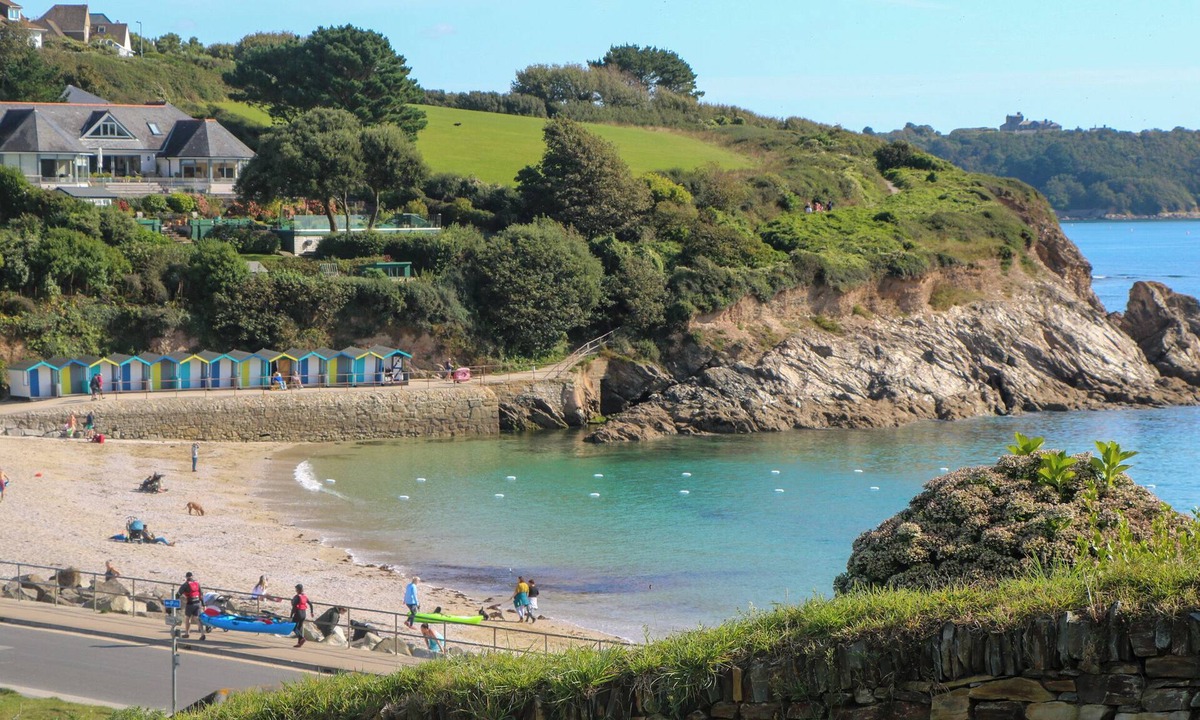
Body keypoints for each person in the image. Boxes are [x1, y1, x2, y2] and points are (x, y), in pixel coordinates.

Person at [176, 571, 206, 640]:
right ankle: (202, 633)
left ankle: (187, 633)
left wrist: (175, 600)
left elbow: (178, 594)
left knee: (187, 618)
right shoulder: (197, 584)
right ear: (192, 577)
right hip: (198, 603)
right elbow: (201, 595)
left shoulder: (185, 585)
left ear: (186, 577)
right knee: (197, 618)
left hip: (190, 604)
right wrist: (204, 604)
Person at [291, 583, 310, 647]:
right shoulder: (304, 596)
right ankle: (299, 643)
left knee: (294, 628)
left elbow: (294, 607)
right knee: (299, 628)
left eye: (296, 589)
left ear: (297, 589)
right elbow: (311, 604)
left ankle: (302, 637)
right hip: (304, 614)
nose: (295, 590)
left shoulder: (297, 597)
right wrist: (312, 612)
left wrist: (291, 616)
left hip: (298, 613)